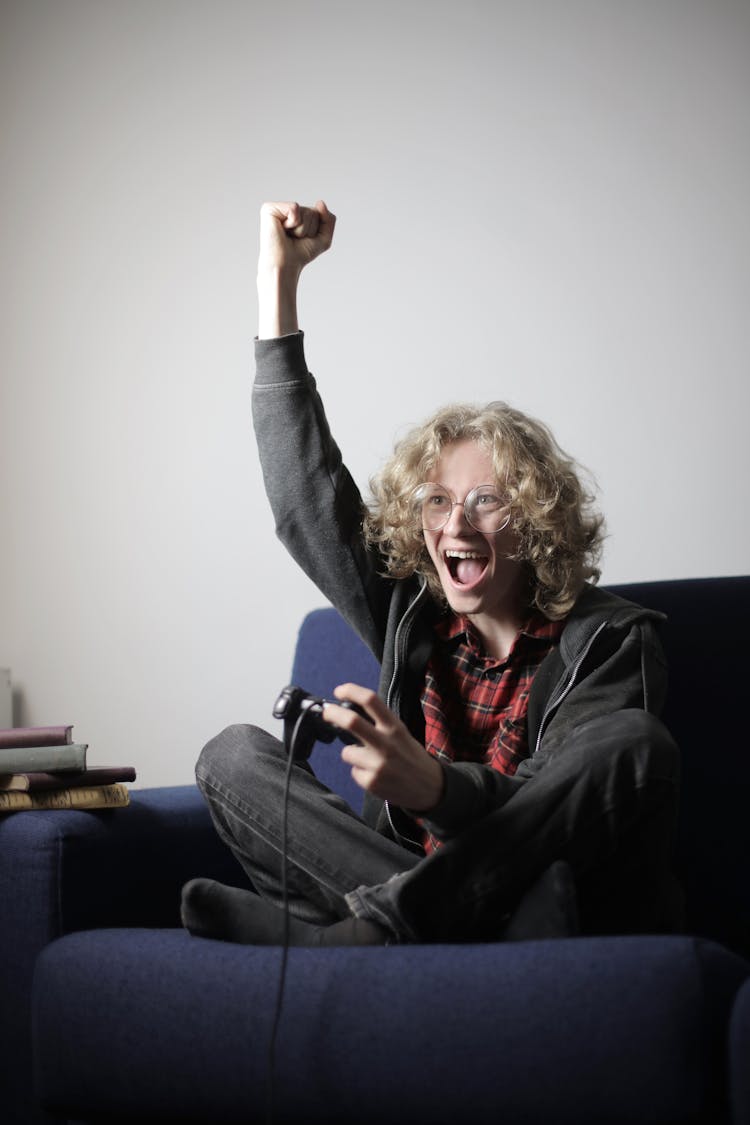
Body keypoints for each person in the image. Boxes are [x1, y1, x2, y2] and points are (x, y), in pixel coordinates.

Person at [180, 200, 683, 946]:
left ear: (535, 519)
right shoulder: (409, 612)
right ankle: (408, 922)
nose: (456, 524)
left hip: (546, 896)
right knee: (230, 755)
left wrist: (435, 788)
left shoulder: (610, 644)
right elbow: (305, 500)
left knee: (638, 744)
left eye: (486, 501)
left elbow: (557, 816)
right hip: (481, 906)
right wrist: (276, 285)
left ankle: (366, 929)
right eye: (438, 501)